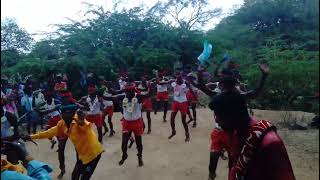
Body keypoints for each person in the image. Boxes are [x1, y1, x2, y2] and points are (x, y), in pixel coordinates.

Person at [209, 91, 296, 180]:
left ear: (234, 115)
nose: (217, 121)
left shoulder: (270, 143)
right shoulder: (236, 133)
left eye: (219, 116)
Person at [26, 104, 104, 180]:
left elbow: (85, 126)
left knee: (85, 177)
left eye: (66, 112)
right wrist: (31, 136)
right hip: (82, 156)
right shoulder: (62, 123)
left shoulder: (78, 121)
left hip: (93, 154)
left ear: (73, 113)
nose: (63, 114)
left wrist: (82, 121)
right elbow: (49, 132)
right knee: (74, 176)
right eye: (62, 112)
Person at [109, 80, 146, 167]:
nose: (129, 93)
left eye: (130, 91)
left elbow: (149, 94)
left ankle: (140, 157)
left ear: (133, 91)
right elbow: (112, 96)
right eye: (127, 91)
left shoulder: (139, 97)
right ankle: (124, 155)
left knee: (139, 143)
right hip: (127, 123)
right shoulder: (122, 97)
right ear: (126, 91)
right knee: (124, 143)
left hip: (137, 123)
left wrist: (150, 88)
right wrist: (102, 94)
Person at [168, 71, 193, 142]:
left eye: (179, 77)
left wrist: (194, 98)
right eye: (176, 77)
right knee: (172, 118)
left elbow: (191, 90)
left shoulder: (186, 83)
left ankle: (187, 134)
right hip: (176, 102)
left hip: (183, 103)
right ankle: (173, 131)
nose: (177, 79)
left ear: (181, 77)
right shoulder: (173, 81)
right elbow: (162, 82)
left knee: (183, 121)